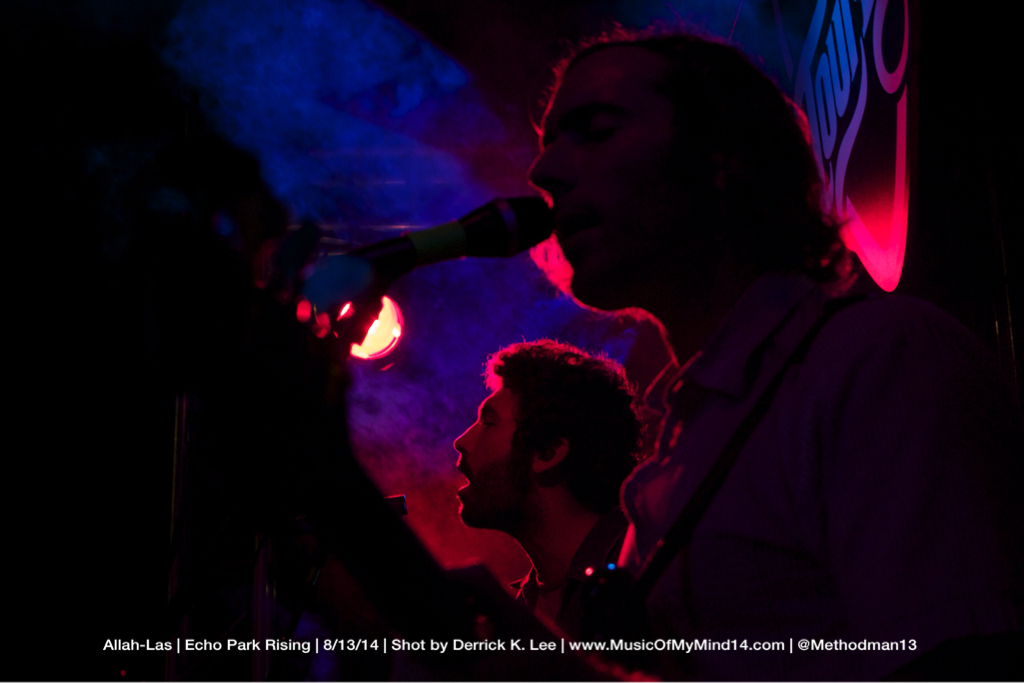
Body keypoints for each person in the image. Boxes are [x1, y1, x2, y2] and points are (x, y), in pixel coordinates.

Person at [526, 28, 1024, 681]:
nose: (544, 172)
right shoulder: (690, 426)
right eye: (550, 143)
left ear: (721, 155)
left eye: (596, 129)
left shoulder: (876, 359)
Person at [453, 339, 643, 638]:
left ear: (547, 451)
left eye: (488, 423)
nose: (461, 441)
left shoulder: (644, 571)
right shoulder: (520, 608)